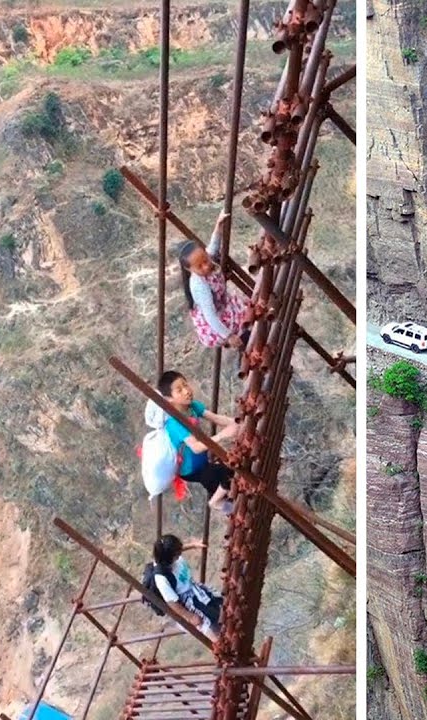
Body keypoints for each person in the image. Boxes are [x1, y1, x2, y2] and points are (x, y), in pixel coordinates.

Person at [158, 371, 240, 514]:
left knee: (226, 482)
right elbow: (195, 447)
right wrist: (221, 435)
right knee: (226, 476)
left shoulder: (192, 407)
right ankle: (215, 503)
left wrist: (237, 423)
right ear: (169, 398)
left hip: (203, 461)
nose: (186, 391)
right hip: (191, 470)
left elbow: (215, 418)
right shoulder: (173, 424)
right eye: (179, 390)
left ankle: (228, 506)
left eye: (185, 385)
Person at [178, 209, 251, 352]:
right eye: (200, 266)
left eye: (205, 260)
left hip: (222, 305)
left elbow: (213, 247)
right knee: (242, 330)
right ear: (190, 269)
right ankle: (246, 344)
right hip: (215, 321)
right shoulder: (199, 286)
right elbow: (210, 316)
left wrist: (218, 226)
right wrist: (228, 335)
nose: (206, 266)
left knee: (245, 311)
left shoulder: (206, 259)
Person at [150, 534, 224, 642]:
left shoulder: (169, 557)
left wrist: (193, 545)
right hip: (187, 600)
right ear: (170, 558)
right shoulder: (161, 577)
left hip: (194, 589)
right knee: (209, 628)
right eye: (177, 554)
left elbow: (176, 549)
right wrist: (190, 616)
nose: (180, 554)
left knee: (220, 606)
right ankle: (220, 646)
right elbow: (172, 602)